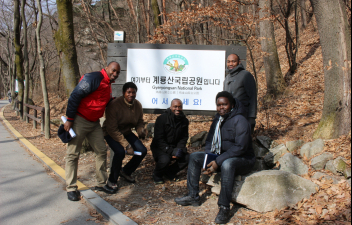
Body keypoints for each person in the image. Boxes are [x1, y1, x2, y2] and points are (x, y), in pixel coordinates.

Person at [174, 91, 255, 224]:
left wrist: (218, 161)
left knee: (227, 164)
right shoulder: (218, 119)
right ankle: (193, 196)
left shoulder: (240, 120)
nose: (221, 107)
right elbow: (210, 140)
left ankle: (224, 207)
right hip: (222, 156)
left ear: (232, 104)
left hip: (243, 159)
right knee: (194, 157)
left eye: (224, 104)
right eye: (218, 105)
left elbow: (240, 147)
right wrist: (208, 159)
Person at [64, 61, 120, 201]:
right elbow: (75, 95)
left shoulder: (108, 84)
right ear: (106, 68)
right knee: (73, 153)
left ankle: (101, 183)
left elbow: (100, 100)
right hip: (79, 120)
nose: (115, 74)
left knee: (101, 150)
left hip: (94, 123)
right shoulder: (93, 78)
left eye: (117, 72)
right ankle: (71, 188)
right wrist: (70, 118)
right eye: (113, 70)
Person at [102, 82, 147, 192]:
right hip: (110, 132)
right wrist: (127, 146)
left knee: (142, 151)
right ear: (123, 93)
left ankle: (125, 171)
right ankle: (112, 179)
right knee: (120, 152)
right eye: (128, 92)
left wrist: (140, 130)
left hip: (126, 131)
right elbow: (112, 129)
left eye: (133, 92)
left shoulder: (138, 105)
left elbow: (139, 122)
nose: (131, 95)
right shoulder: (114, 105)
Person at [151, 98, 189, 184]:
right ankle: (157, 174)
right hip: (160, 147)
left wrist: (178, 149)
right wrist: (171, 151)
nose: (177, 109)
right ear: (171, 107)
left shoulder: (184, 121)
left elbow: (184, 137)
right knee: (165, 159)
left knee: (187, 158)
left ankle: (169, 172)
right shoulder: (162, 119)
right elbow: (158, 139)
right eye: (175, 106)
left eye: (179, 107)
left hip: (174, 146)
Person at [224, 54, 257, 133]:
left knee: (242, 142)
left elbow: (252, 97)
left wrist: (252, 117)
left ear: (239, 62)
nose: (230, 64)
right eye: (228, 62)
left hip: (243, 115)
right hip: (229, 117)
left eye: (233, 61)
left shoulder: (246, 75)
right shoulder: (227, 78)